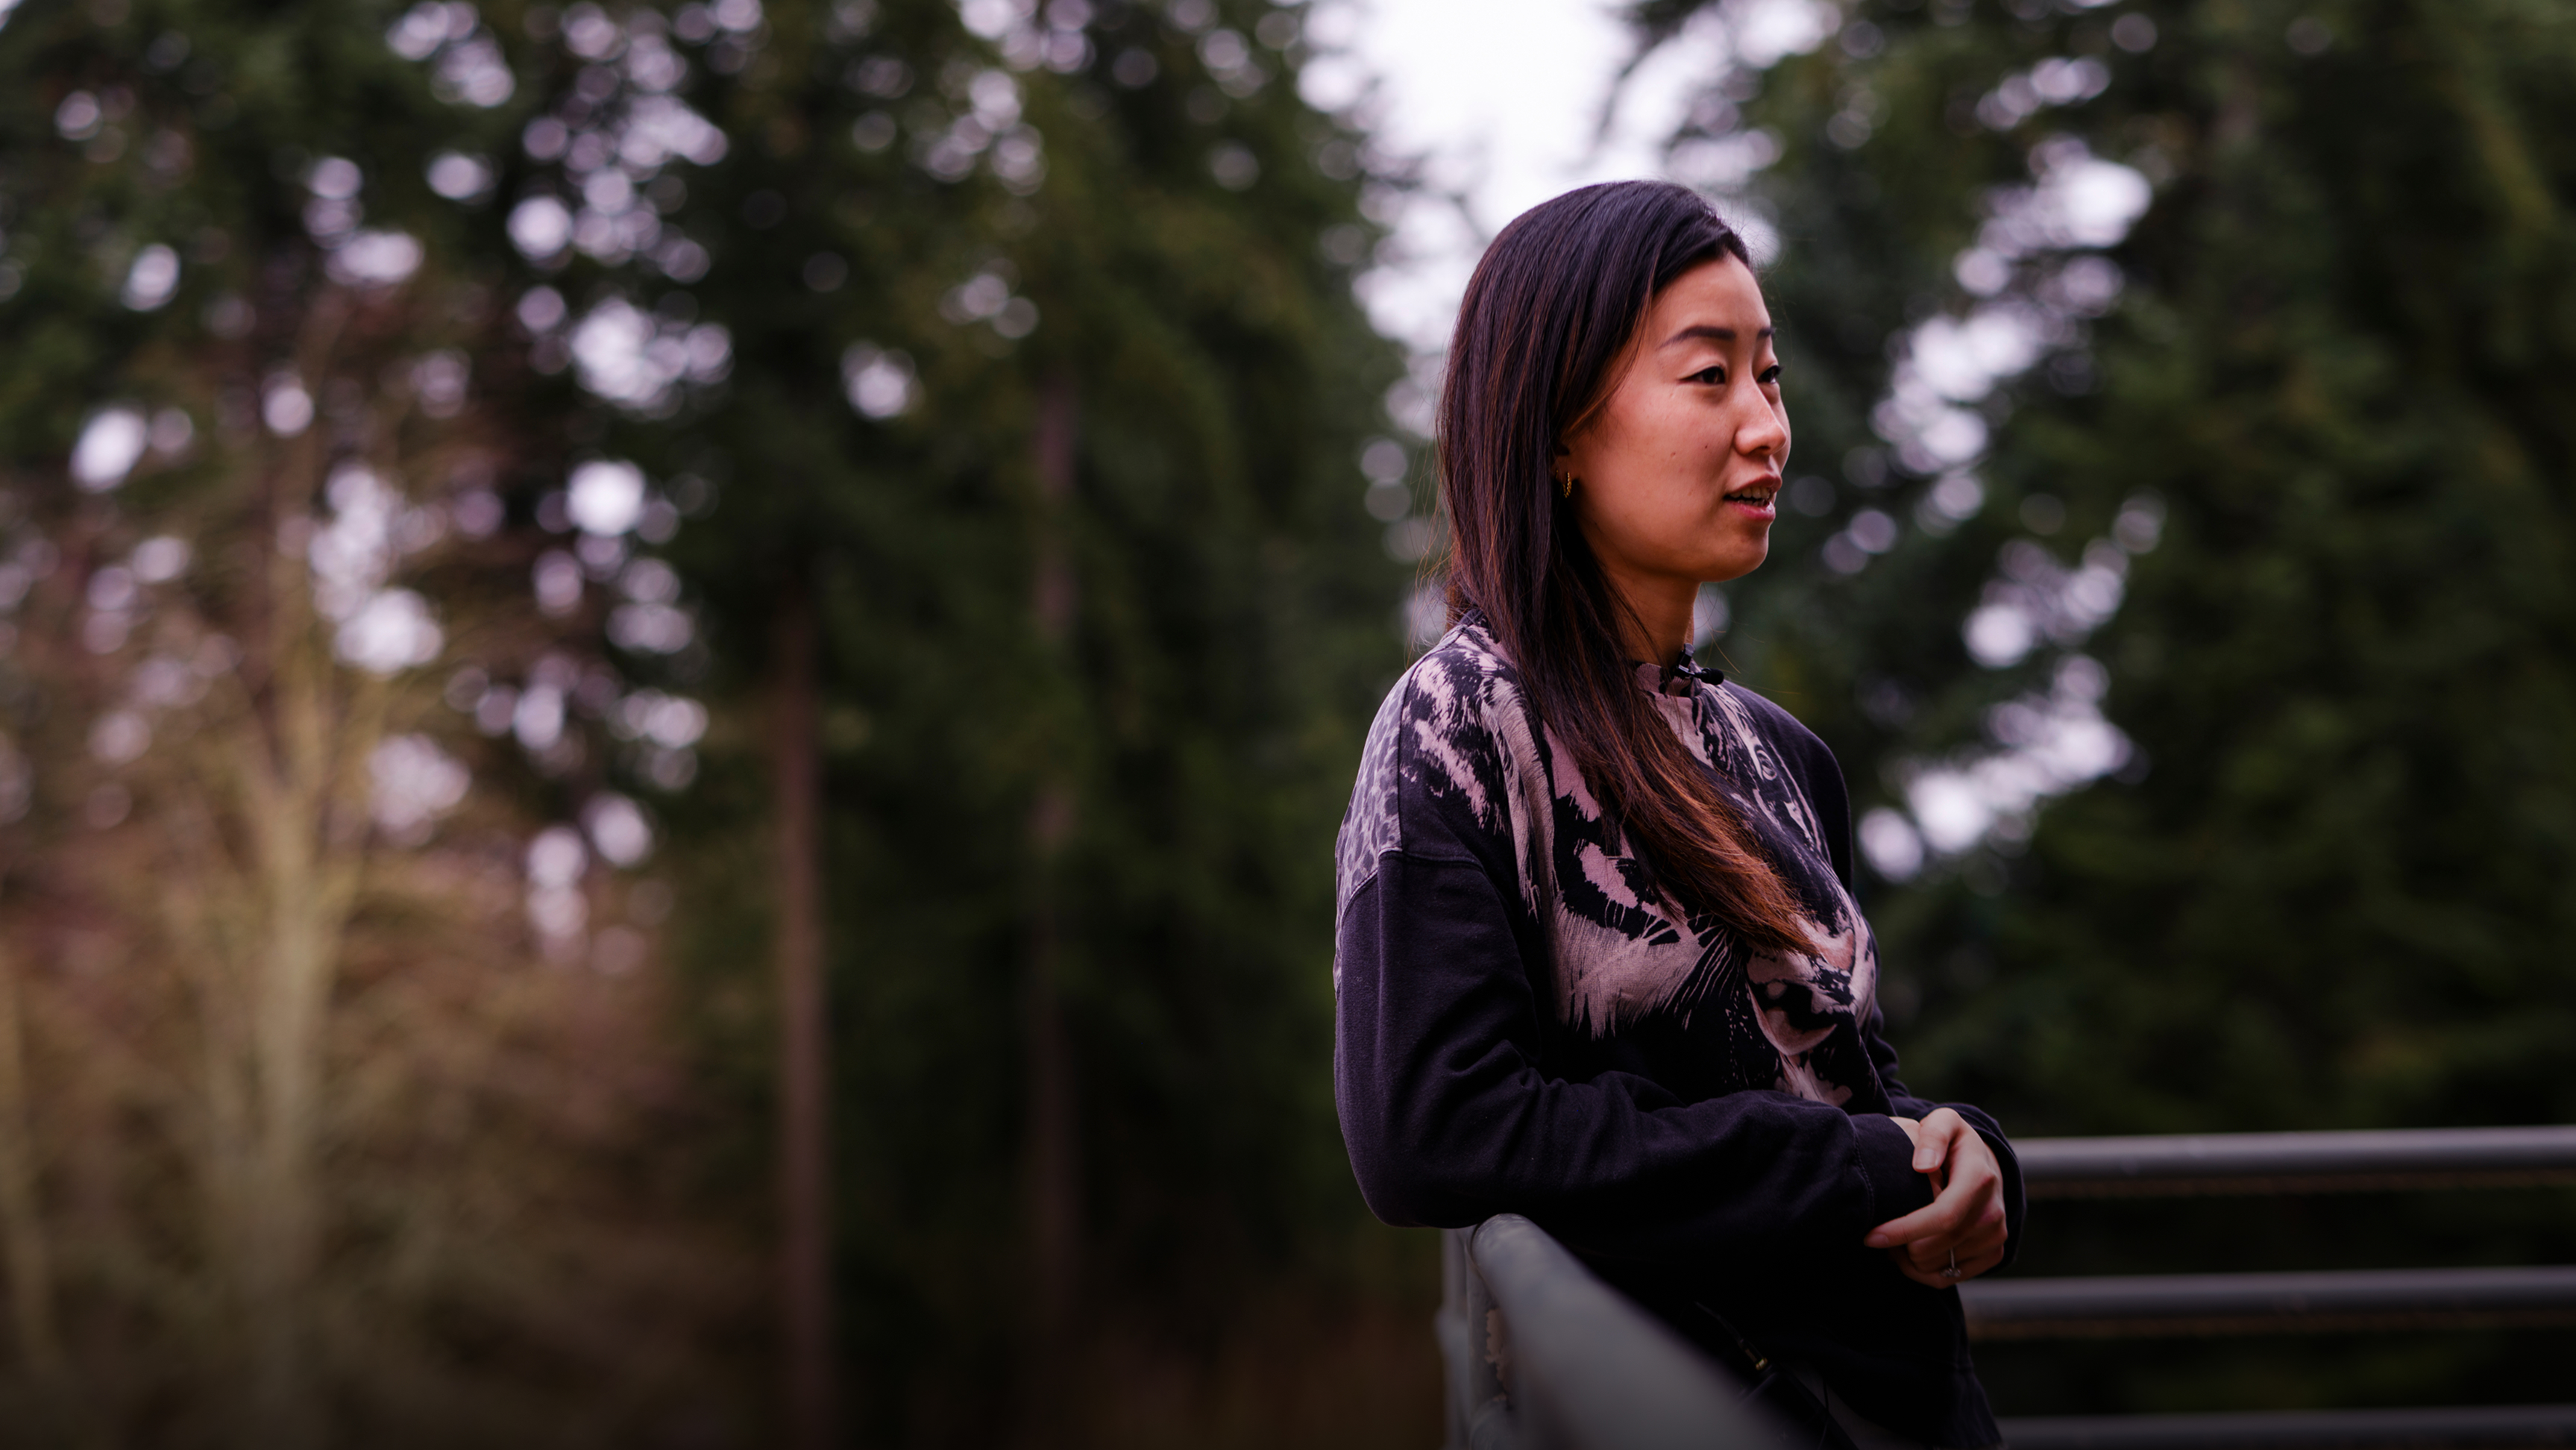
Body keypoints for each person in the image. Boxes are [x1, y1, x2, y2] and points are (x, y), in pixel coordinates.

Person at [1331, 180, 2023, 1449]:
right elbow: (1428, 1126)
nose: (1768, 427)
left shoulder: (1779, 755)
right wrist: (1851, 1169)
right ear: (1558, 429)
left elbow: (1835, 1078)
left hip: (1910, 1410)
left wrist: (1960, 1152)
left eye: (1770, 378)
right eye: (1710, 378)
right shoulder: (1459, 727)